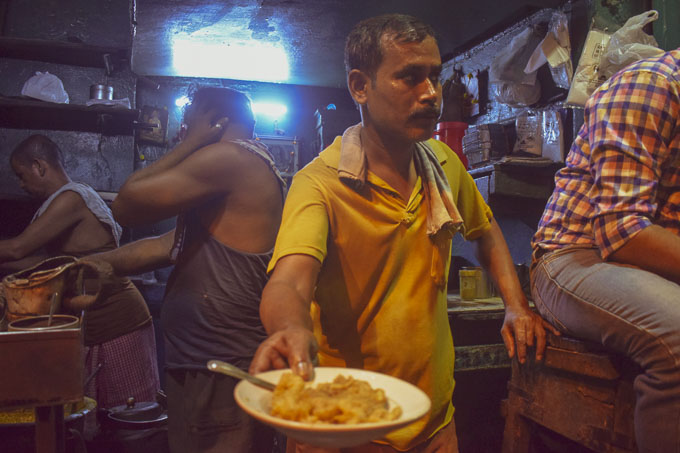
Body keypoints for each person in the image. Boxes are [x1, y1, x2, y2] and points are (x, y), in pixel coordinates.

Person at [249, 14, 555, 453]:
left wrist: (515, 306)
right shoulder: (321, 184)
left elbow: (485, 230)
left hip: (434, 423)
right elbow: (290, 280)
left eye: (434, 76)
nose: (431, 93)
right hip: (346, 427)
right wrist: (288, 329)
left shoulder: (443, 164)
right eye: (409, 77)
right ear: (360, 86)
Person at [88, 86, 286, 453]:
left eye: (188, 120)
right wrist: (92, 265)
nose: (181, 128)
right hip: (207, 360)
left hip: (221, 361)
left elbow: (127, 205)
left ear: (215, 122)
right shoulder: (239, 166)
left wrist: (191, 142)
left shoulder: (232, 158)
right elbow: (170, 244)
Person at [531, 48, 680, 452]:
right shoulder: (652, 85)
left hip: (649, 267)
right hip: (573, 257)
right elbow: (622, 231)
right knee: (677, 333)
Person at [0, 134, 160, 411]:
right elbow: (47, 263)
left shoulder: (71, 198)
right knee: (95, 421)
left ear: (39, 166)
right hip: (93, 329)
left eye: (21, 175)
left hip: (118, 326)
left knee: (128, 419)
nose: (21, 184)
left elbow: (17, 249)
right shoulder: (62, 201)